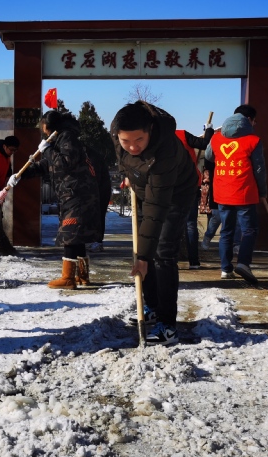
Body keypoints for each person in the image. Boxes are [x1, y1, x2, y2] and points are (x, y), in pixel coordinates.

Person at [111, 101, 199, 345]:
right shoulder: (118, 134)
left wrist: (143, 257)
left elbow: (156, 208)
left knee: (161, 253)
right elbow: (123, 159)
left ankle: (167, 325)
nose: (132, 146)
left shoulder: (166, 151)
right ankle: (151, 306)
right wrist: (128, 175)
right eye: (126, 141)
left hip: (176, 193)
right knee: (144, 249)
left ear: (150, 129)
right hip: (143, 189)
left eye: (139, 140)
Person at [11, 110, 102, 289]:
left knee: (70, 234)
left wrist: (47, 150)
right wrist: (21, 175)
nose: (42, 130)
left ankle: (68, 278)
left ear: (49, 125)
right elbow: (47, 166)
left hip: (78, 194)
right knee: (77, 236)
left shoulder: (67, 137)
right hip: (72, 194)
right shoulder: (59, 140)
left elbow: (65, 162)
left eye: (43, 126)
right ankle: (82, 276)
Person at [205, 104, 266, 285]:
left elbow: (208, 156)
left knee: (226, 231)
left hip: (223, 192)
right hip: (244, 193)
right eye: (254, 121)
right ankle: (243, 264)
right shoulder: (253, 140)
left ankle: (225, 269)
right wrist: (263, 191)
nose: (254, 124)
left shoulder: (216, 138)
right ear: (249, 119)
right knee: (249, 230)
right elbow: (259, 169)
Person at [177, 123, 215, 269]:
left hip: (167, 186)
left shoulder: (155, 138)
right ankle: (194, 261)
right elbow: (205, 144)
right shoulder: (182, 134)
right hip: (189, 184)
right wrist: (209, 130)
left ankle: (169, 259)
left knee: (169, 224)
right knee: (190, 224)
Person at [86, 146, 113, 253]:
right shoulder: (89, 154)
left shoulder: (90, 156)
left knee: (96, 215)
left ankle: (95, 241)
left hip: (98, 190)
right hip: (97, 188)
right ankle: (94, 241)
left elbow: (95, 176)